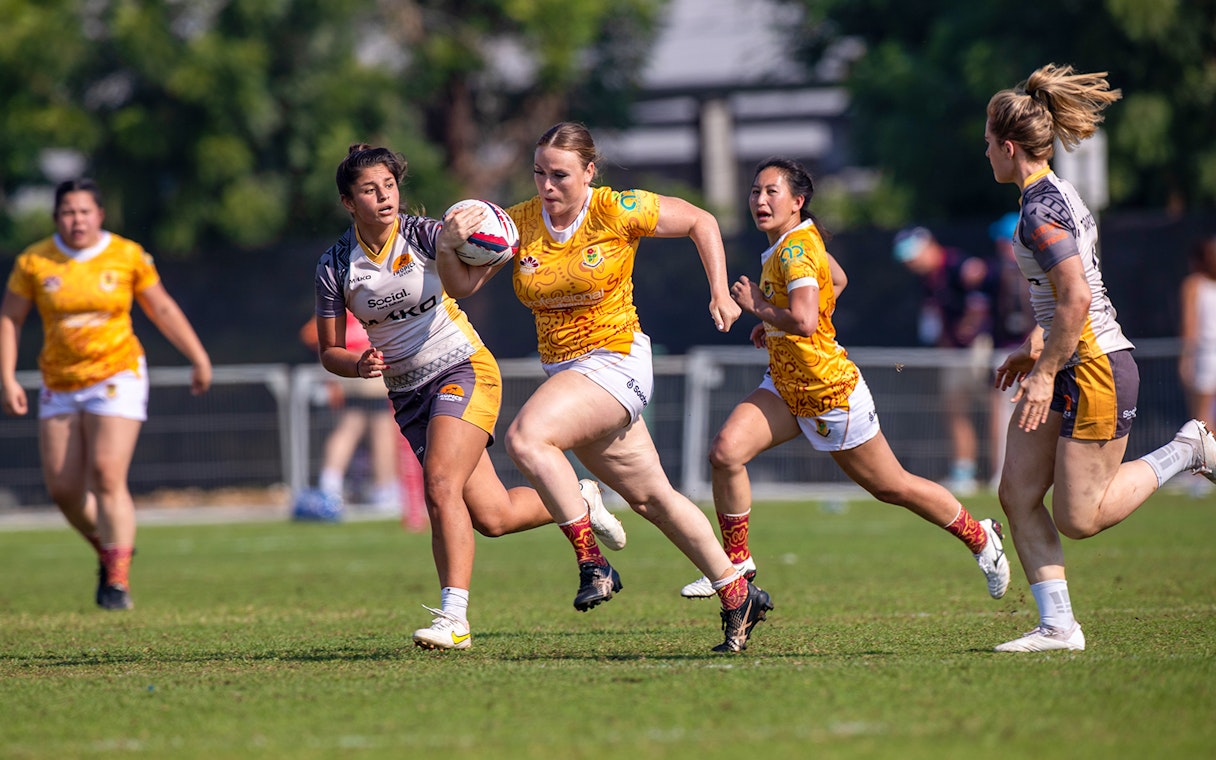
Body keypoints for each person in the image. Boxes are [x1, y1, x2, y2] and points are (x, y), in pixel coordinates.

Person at [442, 121, 772, 653]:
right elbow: (460, 285)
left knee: (527, 438)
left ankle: (592, 562)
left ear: (589, 172)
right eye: (538, 173)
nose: (547, 186)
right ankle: (737, 592)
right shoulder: (518, 223)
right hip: (570, 376)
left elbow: (702, 221)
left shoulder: (615, 208)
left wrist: (719, 290)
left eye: (560, 175)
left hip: (616, 360)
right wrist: (450, 245)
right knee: (651, 498)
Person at [312, 143, 626, 650]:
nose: (383, 197)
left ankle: (453, 618)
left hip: (463, 367)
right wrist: (358, 363)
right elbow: (329, 351)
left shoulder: (426, 234)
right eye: (369, 190)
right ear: (349, 203)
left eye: (389, 186)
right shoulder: (334, 265)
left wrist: (483, 263)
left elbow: (500, 244)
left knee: (439, 484)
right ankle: (580, 499)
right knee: (493, 517)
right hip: (406, 392)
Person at [677, 157, 1011, 608]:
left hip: (827, 392)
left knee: (893, 486)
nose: (759, 200)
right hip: (785, 384)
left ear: (797, 202)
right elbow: (837, 278)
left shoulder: (794, 249)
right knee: (725, 452)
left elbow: (805, 318)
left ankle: (980, 536)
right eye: (755, 191)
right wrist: (775, 325)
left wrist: (762, 309)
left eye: (771, 192)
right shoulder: (793, 241)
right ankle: (737, 562)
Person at [983, 63, 1216, 652]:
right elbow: (1064, 296)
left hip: (1094, 369)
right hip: (1066, 359)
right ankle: (1058, 626)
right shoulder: (1054, 194)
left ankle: (1189, 448)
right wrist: (1034, 348)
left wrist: (1041, 374)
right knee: (1016, 493)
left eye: (988, 143)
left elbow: (1079, 298)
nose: (985, 153)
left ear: (1009, 147)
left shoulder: (1038, 209)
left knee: (1079, 518)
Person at [0, 178, 212, 610]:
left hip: (117, 373)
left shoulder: (127, 254)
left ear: (99, 214)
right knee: (62, 488)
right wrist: (7, 377)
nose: (76, 220)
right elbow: (10, 318)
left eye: (84, 211)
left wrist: (198, 356)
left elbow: (162, 307)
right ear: (56, 217)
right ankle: (111, 546)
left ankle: (117, 580)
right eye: (67, 212)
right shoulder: (35, 261)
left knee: (105, 473)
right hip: (59, 381)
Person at [893, 225, 995, 494]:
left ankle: (1001, 470)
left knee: (997, 409)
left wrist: (968, 329)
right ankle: (965, 472)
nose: (911, 263)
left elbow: (982, 300)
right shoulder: (928, 278)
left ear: (929, 245)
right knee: (954, 407)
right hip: (955, 352)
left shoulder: (958, 264)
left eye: (913, 255)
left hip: (979, 348)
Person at [296, 313, 400, 518]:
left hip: (351, 363)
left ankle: (331, 484)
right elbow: (310, 335)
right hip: (367, 360)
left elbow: (310, 335)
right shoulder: (362, 298)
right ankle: (384, 490)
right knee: (378, 426)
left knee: (353, 424)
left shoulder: (344, 299)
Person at [987, 211, 1036, 488]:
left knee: (1037, 414)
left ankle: (1032, 474)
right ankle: (1001, 474)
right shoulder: (998, 272)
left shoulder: (1034, 270)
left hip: (1034, 352)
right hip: (1006, 351)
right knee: (1002, 413)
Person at [1179, 235, 1216, 452]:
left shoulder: (1193, 285)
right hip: (1208, 351)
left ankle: (1201, 468)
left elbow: (1190, 324)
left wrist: (1186, 358)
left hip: (1204, 354)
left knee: (1200, 417)